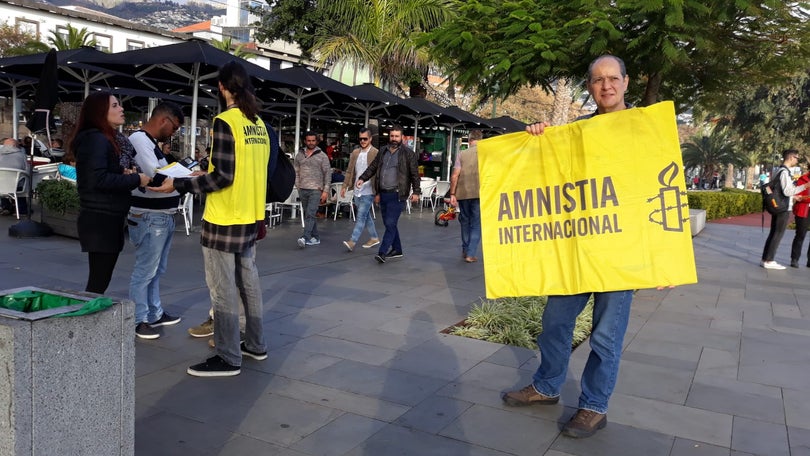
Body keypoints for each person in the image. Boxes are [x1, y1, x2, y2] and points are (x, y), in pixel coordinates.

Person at [501, 55, 641, 439]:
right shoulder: (576, 131)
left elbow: (663, 189)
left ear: (626, 83)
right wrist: (536, 142)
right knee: (555, 324)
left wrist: (664, 259)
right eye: (598, 80)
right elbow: (551, 177)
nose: (606, 86)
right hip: (577, 250)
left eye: (613, 78)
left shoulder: (645, 130)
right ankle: (547, 387)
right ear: (590, 86)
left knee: (606, 337)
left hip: (623, 253)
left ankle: (594, 407)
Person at [151, 61, 269, 377]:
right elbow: (249, 173)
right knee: (248, 283)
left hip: (224, 216)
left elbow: (224, 178)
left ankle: (228, 356)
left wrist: (179, 182)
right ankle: (255, 345)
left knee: (222, 288)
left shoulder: (224, 121)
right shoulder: (257, 123)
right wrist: (208, 173)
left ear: (221, 87)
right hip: (250, 215)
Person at [71, 91, 150, 294]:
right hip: (100, 219)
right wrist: (135, 179)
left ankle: (89, 321)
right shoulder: (96, 139)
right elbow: (98, 179)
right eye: (114, 105)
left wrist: (122, 173)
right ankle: (87, 323)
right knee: (98, 283)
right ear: (100, 112)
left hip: (107, 217)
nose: (121, 109)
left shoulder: (104, 139)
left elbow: (100, 174)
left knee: (99, 280)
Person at [127, 102, 186, 340]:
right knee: (146, 270)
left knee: (156, 269)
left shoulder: (151, 143)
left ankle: (154, 312)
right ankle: (138, 318)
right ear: (164, 120)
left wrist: (182, 173)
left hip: (161, 215)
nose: (174, 133)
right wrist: (184, 176)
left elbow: (164, 173)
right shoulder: (140, 140)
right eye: (175, 127)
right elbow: (157, 176)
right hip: (149, 216)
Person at [355, 125, 420, 263]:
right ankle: (397, 249)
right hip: (384, 193)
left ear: (402, 137)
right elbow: (373, 167)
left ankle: (382, 252)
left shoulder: (408, 154)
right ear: (389, 136)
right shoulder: (383, 151)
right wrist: (362, 178)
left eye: (397, 136)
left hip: (398, 194)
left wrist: (416, 191)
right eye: (392, 136)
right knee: (389, 224)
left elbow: (415, 174)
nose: (394, 139)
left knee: (390, 223)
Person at [761, 149, 807, 270]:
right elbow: (788, 191)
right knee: (778, 233)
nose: (797, 160)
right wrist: (805, 186)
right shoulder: (784, 172)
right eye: (796, 158)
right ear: (791, 157)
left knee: (773, 232)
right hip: (783, 208)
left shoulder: (779, 170)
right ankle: (769, 260)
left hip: (778, 205)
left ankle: (765, 259)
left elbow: (781, 190)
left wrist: (794, 196)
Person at [341, 128, 380, 251]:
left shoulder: (376, 152)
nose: (362, 141)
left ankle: (352, 241)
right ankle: (374, 237)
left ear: (370, 139)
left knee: (361, 216)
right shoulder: (355, 152)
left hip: (369, 190)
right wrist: (344, 186)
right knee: (366, 215)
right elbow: (349, 171)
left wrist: (378, 192)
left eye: (365, 139)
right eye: (361, 138)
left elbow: (378, 173)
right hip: (357, 190)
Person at [449, 129, 482, 263]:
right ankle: (471, 253)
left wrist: (452, 193)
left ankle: (465, 248)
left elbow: (455, 175)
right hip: (479, 193)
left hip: (463, 194)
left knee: (465, 221)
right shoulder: (486, 154)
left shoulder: (462, 154)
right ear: (481, 140)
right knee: (476, 223)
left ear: (469, 140)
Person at [294, 131, 331, 248]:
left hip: (316, 189)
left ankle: (305, 237)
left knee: (310, 213)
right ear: (305, 141)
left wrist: (325, 191)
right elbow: (295, 171)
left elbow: (328, 174)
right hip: (303, 188)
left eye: (313, 140)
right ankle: (316, 237)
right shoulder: (299, 155)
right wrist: (298, 185)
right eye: (308, 140)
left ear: (316, 141)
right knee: (309, 214)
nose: (311, 143)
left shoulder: (322, 156)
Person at [0, 137, 28, 216]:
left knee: (3, 182)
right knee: (21, 181)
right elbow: (26, 169)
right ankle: (21, 210)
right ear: (16, 146)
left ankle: (5, 207)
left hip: (1, 186)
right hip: (16, 186)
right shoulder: (21, 155)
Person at [790, 169, 810, 268]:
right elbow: (798, 195)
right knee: (800, 234)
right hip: (803, 209)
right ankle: (794, 258)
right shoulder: (803, 179)